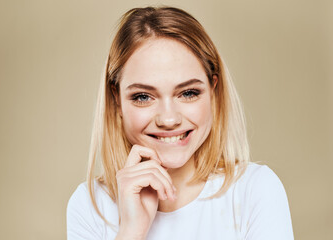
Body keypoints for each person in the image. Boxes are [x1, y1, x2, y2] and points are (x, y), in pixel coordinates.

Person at [67, 6, 294, 240]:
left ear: (213, 91)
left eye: (188, 93)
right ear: (117, 100)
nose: (169, 119)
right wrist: (131, 231)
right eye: (143, 97)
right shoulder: (89, 207)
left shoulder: (256, 190)